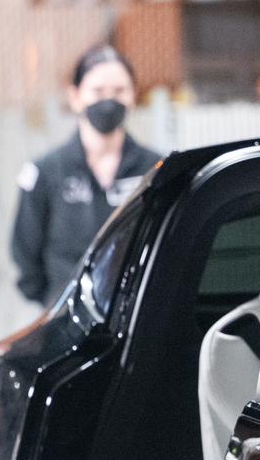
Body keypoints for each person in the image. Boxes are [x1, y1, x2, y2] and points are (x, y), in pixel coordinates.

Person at [11, 44, 161, 307]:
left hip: (139, 312)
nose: (108, 101)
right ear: (76, 96)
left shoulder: (156, 169)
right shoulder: (46, 172)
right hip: (67, 314)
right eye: (98, 91)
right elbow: (26, 252)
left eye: (119, 91)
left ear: (133, 96)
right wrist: (55, 302)